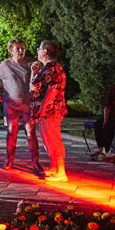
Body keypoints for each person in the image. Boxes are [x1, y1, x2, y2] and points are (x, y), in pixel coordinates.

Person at [0, 39, 39, 170]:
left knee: (31, 132)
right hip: (11, 104)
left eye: (22, 48)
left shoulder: (30, 63)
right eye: (17, 48)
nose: (21, 51)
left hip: (28, 103)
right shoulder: (5, 65)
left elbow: (39, 80)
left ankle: (35, 162)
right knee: (12, 131)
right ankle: (9, 160)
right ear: (11, 50)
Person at [29, 40, 68, 181]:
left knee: (53, 139)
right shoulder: (45, 68)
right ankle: (54, 166)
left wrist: (43, 108)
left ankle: (61, 172)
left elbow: (52, 91)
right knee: (47, 139)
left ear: (45, 51)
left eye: (39, 49)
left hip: (51, 110)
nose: (37, 51)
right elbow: (34, 87)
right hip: (45, 110)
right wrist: (33, 73)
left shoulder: (53, 68)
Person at [90, 71, 115, 160]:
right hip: (112, 115)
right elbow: (108, 105)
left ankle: (108, 150)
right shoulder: (114, 89)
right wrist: (105, 119)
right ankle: (101, 149)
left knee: (111, 126)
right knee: (99, 124)